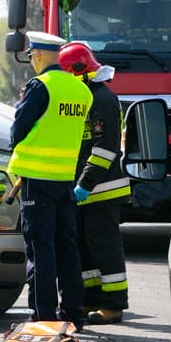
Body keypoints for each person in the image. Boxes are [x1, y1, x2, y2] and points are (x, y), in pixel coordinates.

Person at [8, 31, 92, 332]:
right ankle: (73, 314)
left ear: (40, 55)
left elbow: (20, 125)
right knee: (67, 247)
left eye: (31, 55)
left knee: (40, 248)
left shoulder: (40, 85)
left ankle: (43, 316)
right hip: (64, 179)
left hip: (37, 179)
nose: (31, 61)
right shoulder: (82, 91)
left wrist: (13, 147)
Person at [59, 41, 131, 325]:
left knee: (106, 249)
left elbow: (105, 148)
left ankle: (113, 305)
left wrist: (85, 184)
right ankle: (91, 300)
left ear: (79, 71)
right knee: (84, 249)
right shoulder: (83, 98)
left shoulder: (102, 99)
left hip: (102, 190)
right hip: (83, 191)